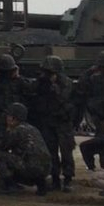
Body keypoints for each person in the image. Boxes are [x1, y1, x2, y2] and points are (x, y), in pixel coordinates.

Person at [28, 55, 76, 192]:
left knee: (66, 151)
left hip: (63, 122)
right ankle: (55, 179)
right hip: (48, 121)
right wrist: (40, 80)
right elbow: (31, 90)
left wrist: (54, 85)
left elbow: (62, 98)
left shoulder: (66, 82)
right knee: (51, 152)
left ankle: (68, 179)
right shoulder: (42, 82)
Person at [0, 102, 52, 195]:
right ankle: (41, 185)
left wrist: (7, 130)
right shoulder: (33, 128)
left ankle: (11, 186)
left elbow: (2, 146)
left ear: (13, 118)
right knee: (29, 160)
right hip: (46, 169)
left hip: (30, 168)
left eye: (8, 116)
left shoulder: (17, 130)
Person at [0, 53, 30, 141]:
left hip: (15, 118)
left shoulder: (18, 81)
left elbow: (30, 88)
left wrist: (18, 76)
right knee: (0, 143)